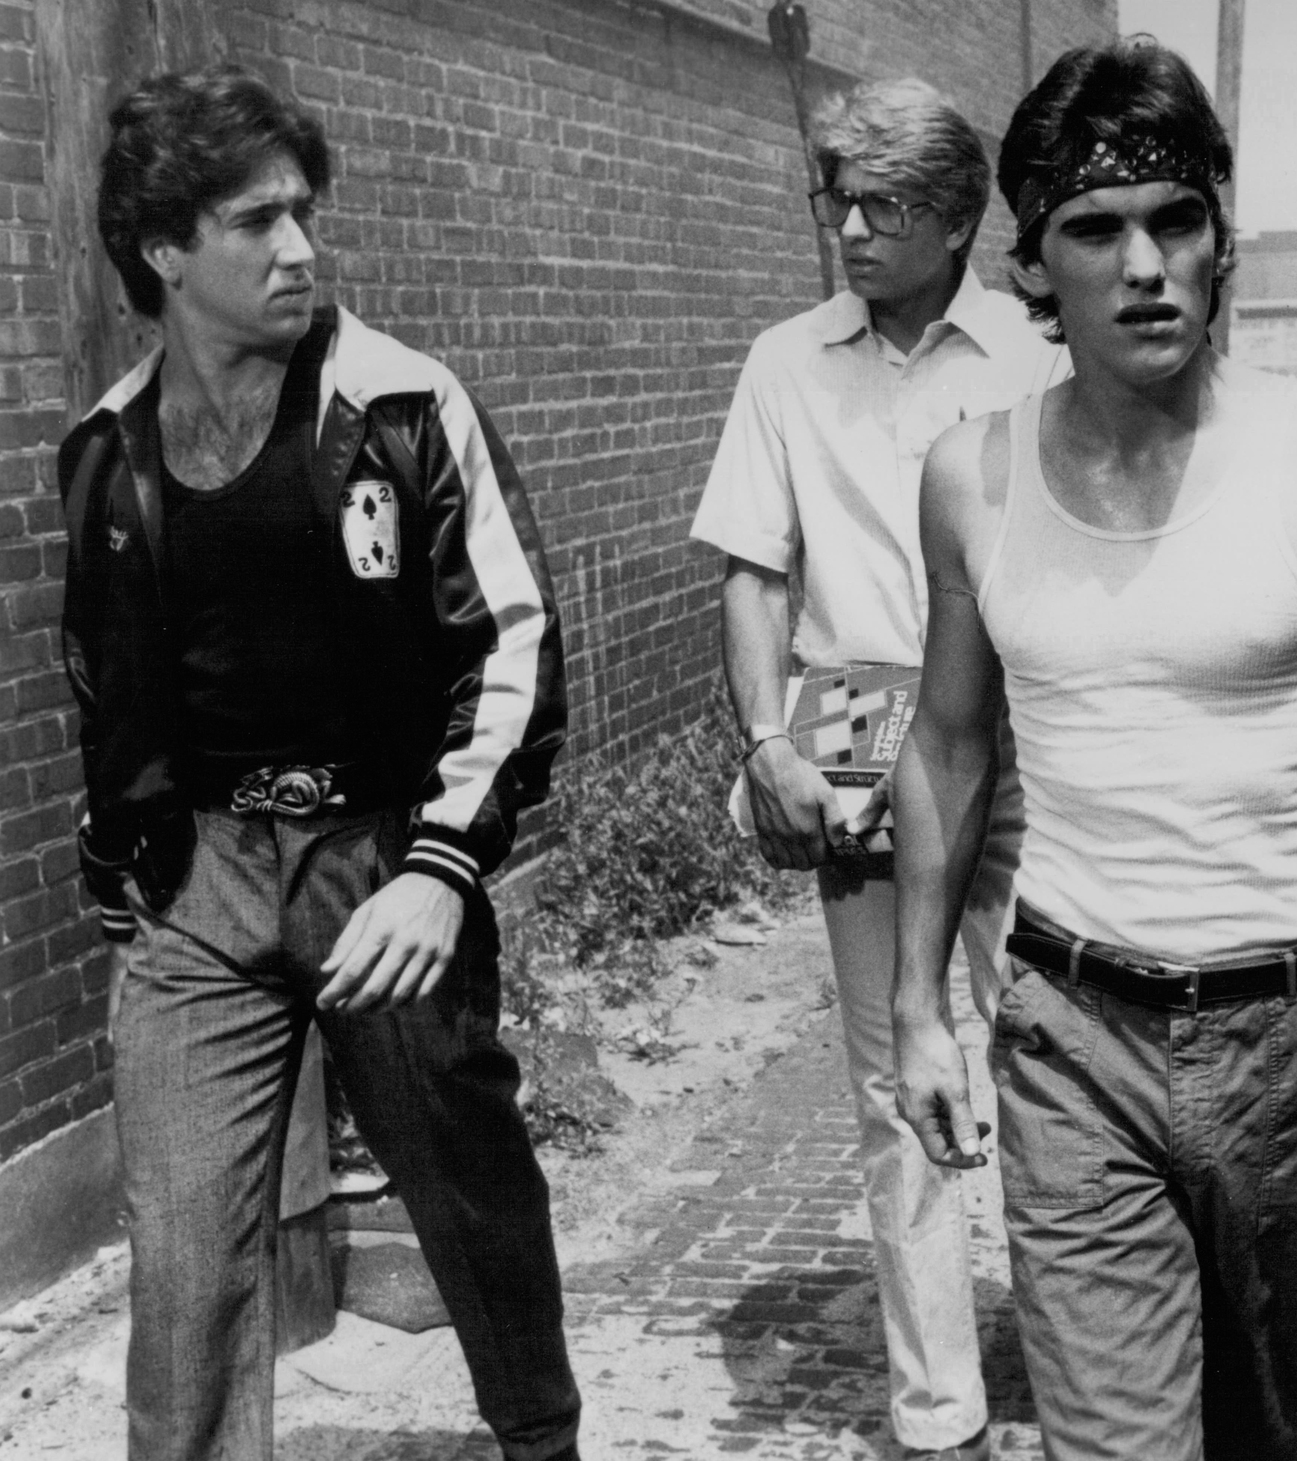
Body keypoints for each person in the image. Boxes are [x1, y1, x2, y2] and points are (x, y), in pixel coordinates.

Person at [890, 39, 1297, 1460]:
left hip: (1293, 1041)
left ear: (1220, 239)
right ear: (1033, 268)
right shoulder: (972, 474)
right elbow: (949, 746)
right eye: (1096, 230)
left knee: (1262, 1433)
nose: (1145, 265)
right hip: (1071, 1036)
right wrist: (916, 1009)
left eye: (1176, 221)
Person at [60, 66, 580, 1461]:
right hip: (202, 886)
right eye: (256, 221)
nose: (299, 248)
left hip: (380, 855)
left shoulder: (401, 406)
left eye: (304, 213)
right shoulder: (107, 451)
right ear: (167, 250)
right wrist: (128, 869)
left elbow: (514, 648)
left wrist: (441, 869)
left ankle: (541, 1436)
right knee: (182, 1262)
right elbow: (101, 680)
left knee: (463, 1184)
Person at [688, 77, 1063, 1461]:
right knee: (894, 1080)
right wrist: (765, 741)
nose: (848, 226)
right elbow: (750, 568)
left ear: (959, 218)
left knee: (1049, 1050)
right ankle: (938, 1407)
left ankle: (1085, 1367)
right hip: (854, 721)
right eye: (833, 197)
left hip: (1019, 730)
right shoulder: (786, 361)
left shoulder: (1037, 357)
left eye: (883, 204)